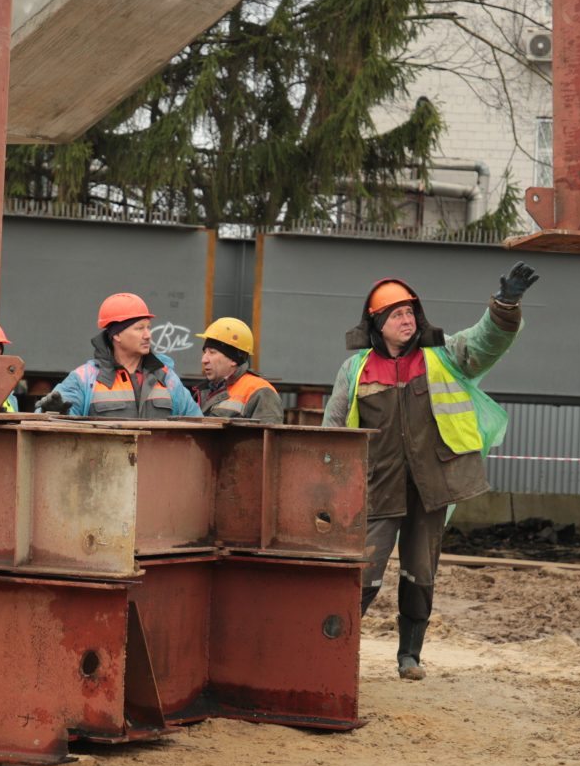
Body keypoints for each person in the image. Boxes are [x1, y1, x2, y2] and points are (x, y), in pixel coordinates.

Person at [323, 266, 536, 679]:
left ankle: (409, 657)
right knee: (361, 574)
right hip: (376, 489)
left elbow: (486, 341)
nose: (407, 321)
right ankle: (334, 651)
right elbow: (332, 434)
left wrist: (505, 306)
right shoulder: (355, 371)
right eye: (396, 315)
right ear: (377, 325)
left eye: (411, 313)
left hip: (430, 488)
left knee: (420, 571)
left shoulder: (444, 357)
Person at [39, 292, 200, 418]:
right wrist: (53, 413)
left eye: (148, 327)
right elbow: (49, 421)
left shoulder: (166, 377)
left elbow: (196, 423)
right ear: (116, 335)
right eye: (139, 328)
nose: (148, 335)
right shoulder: (85, 378)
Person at [192, 317, 283, 423]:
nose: (204, 360)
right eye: (205, 352)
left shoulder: (261, 392)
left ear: (233, 359)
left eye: (212, 352)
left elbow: (268, 438)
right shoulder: (203, 391)